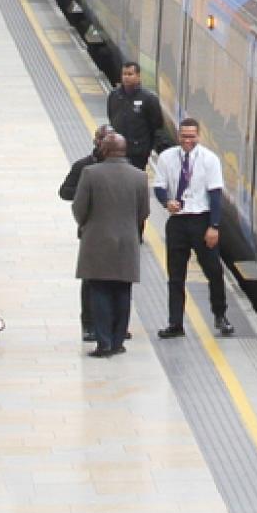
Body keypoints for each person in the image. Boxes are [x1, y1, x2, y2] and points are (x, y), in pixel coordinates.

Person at [152, 118, 232, 339]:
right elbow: (158, 186)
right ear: (179, 136)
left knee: (214, 271)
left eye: (191, 136)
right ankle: (175, 322)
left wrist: (214, 226)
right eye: (184, 136)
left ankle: (220, 315)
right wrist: (166, 202)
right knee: (175, 275)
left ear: (199, 136)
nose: (187, 140)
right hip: (178, 221)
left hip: (202, 219)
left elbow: (216, 195)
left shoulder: (209, 160)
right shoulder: (167, 158)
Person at [74, 131, 151, 357]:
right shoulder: (139, 176)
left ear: (104, 150)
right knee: (122, 292)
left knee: (99, 292)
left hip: (97, 242)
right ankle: (118, 342)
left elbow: (79, 209)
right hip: (127, 243)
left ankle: (104, 342)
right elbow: (144, 212)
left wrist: (89, 225)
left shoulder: (90, 173)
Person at [60, 125, 114, 341]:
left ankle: (114, 324)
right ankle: (89, 324)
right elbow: (64, 192)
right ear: (96, 141)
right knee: (90, 279)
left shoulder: (122, 168)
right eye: (104, 140)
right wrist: (86, 192)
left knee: (117, 279)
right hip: (91, 231)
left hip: (117, 232)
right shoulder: (83, 167)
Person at [106, 62, 166, 170]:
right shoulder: (114, 96)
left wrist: (147, 149)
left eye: (130, 74)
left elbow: (156, 126)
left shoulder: (149, 99)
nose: (126, 77)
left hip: (138, 153)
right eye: (124, 74)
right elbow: (111, 117)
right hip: (117, 151)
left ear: (138, 76)